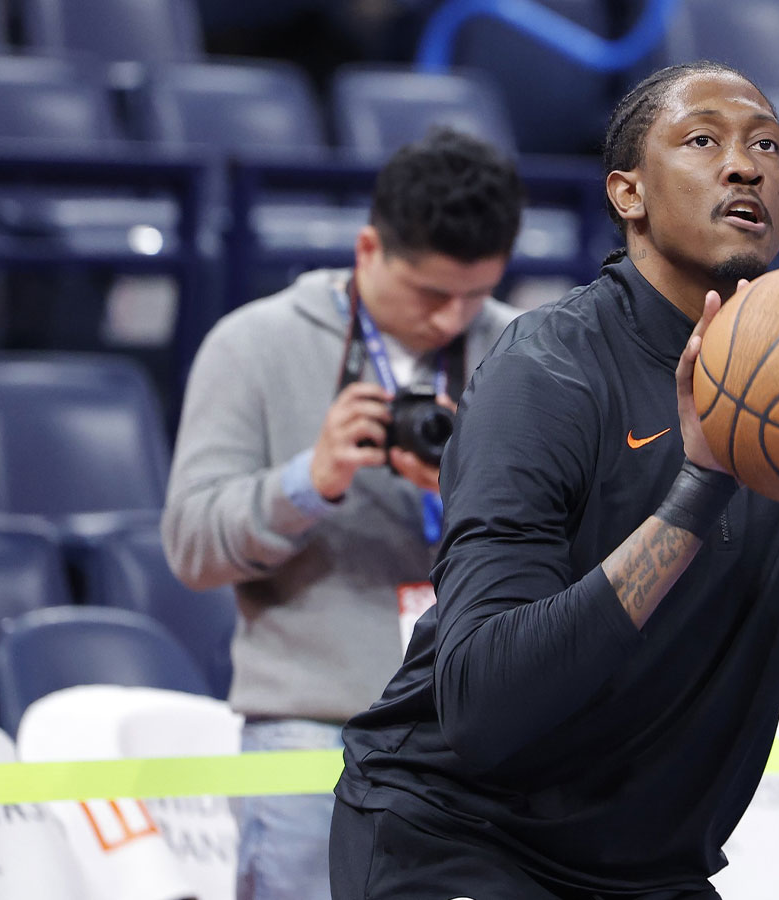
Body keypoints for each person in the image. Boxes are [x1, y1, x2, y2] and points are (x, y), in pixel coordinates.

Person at [328, 61, 779, 899]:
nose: (746, 164)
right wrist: (697, 491)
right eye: (703, 140)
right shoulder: (547, 369)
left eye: (768, 143)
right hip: (459, 836)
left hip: (646, 869)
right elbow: (481, 705)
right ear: (628, 194)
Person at [161, 128, 525, 900]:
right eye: (431, 292)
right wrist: (309, 483)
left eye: (476, 293)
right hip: (311, 725)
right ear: (368, 248)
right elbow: (191, 547)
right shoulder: (252, 344)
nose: (451, 318)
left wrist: (462, 492)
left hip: (478, 735)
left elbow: (579, 545)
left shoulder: (523, 348)